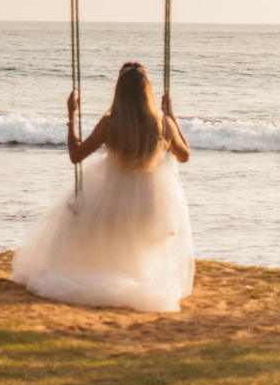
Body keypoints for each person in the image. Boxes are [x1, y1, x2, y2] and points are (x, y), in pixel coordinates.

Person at [11, 60, 194, 313]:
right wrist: (172, 115)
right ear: (148, 92)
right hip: (151, 207)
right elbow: (184, 156)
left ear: (118, 92)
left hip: (112, 203)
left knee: (74, 215)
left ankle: (109, 273)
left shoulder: (109, 124)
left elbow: (76, 155)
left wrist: (72, 116)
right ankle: (135, 276)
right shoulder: (162, 124)